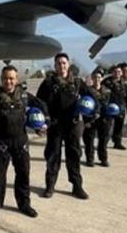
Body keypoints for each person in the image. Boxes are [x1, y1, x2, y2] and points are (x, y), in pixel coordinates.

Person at [0, 65, 47, 220]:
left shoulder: (24, 96)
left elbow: (41, 106)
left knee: (23, 174)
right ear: (1, 79)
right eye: (5, 78)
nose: (8, 81)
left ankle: (24, 204)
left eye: (11, 78)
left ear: (16, 79)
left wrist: (43, 124)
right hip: (1, 141)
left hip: (20, 140)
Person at [36, 53, 91, 199]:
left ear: (68, 64)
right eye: (59, 63)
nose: (62, 66)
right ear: (55, 66)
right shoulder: (48, 83)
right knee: (53, 156)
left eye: (64, 63)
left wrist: (92, 115)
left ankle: (77, 186)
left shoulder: (77, 82)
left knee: (74, 156)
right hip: (55, 125)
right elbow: (39, 103)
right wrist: (40, 123)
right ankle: (50, 186)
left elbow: (90, 97)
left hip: (73, 125)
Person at [82, 70, 111, 167]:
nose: (97, 79)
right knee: (89, 140)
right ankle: (90, 160)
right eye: (95, 77)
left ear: (102, 78)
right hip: (91, 119)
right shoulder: (87, 91)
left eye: (99, 77)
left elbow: (112, 104)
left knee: (103, 140)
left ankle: (103, 159)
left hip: (104, 119)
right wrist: (86, 121)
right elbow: (84, 105)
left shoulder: (107, 91)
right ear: (92, 79)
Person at [103, 65, 127, 150]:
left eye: (119, 72)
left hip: (121, 108)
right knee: (107, 127)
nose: (117, 73)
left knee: (119, 127)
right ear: (112, 73)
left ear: (121, 73)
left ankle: (117, 143)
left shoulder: (125, 82)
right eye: (115, 72)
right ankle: (104, 143)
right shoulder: (106, 82)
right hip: (109, 108)